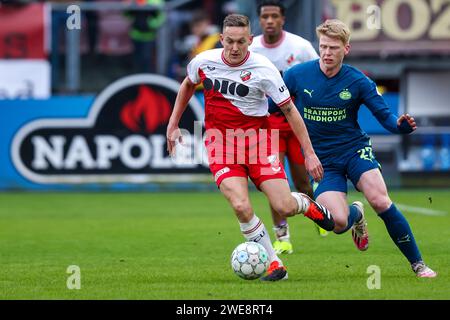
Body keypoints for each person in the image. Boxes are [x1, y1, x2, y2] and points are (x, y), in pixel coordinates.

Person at [166, 14, 335, 281]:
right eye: (229, 41)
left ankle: (305, 204)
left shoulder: (263, 68)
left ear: (250, 40)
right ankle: (274, 263)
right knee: (241, 206)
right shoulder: (204, 61)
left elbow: (290, 110)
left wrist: (310, 152)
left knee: (284, 206)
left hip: (258, 143)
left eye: (241, 42)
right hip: (221, 145)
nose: (234, 48)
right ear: (221, 39)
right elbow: (188, 83)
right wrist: (173, 124)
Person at [276, 19, 436, 278]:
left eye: (333, 48)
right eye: (323, 47)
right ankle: (356, 214)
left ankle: (418, 264)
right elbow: (274, 108)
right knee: (338, 224)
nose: (327, 53)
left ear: (346, 49)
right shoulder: (296, 75)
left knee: (380, 200)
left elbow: (386, 118)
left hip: (354, 150)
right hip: (322, 160)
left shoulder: (358, 81)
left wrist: (400, 127)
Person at [249, 0, 327, 256]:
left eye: (274, 16)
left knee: (303, 182)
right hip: (267, 125)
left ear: (283, 19)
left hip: (295, 122)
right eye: (265, 17)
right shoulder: (251, 48)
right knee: (275, 180)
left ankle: (318, 213)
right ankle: (282, 236)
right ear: (260, 21)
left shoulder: (300, 47)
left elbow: (319, 74)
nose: (269, 21)